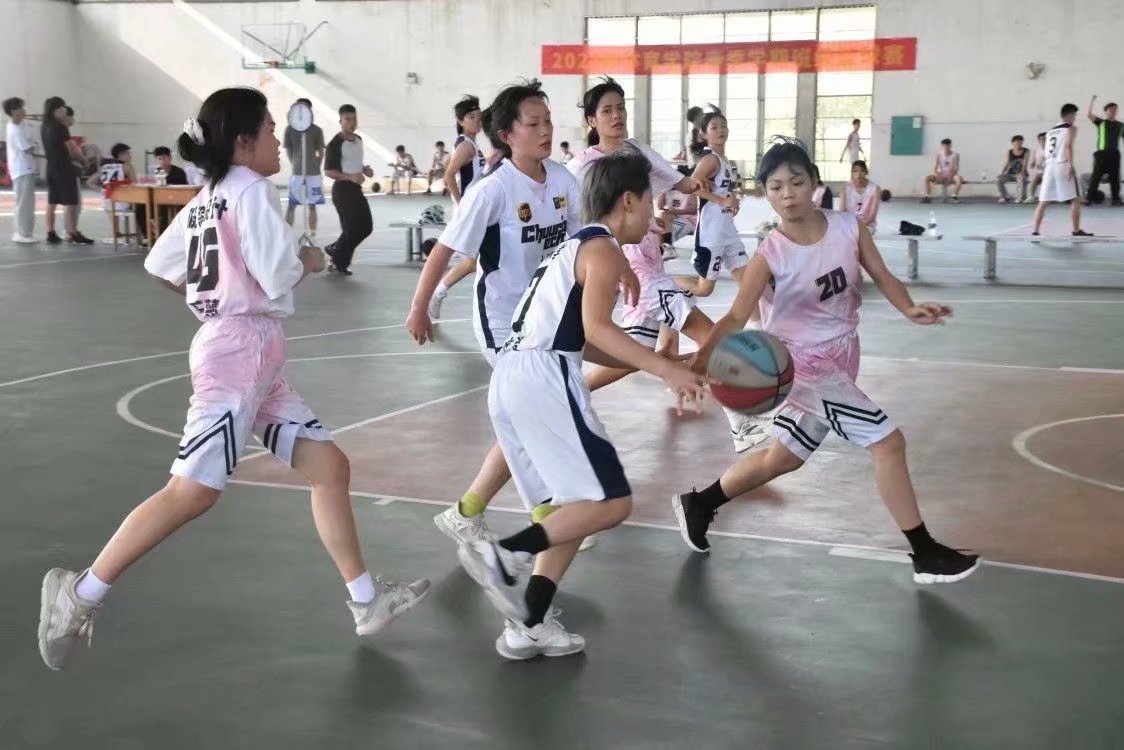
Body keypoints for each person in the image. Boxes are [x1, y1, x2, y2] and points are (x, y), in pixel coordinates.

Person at [36, 87, 429, 672]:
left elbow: (160, 265)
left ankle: (367, 600)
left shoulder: (209, 197)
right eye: (270, 130)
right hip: (241, 355)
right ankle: (81, 592)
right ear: (245, 142)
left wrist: (212, 301)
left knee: (329, 467)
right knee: (192, 491)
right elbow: (279, 274)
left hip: (247, 354)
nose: (277, 141)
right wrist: (312, 260)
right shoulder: (251, 191)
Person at [672, 138, 980, 585]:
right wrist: (701, 362)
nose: (788, 194)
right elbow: (737, 317)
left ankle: (699, 504)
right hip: (801, 368)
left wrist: (909, 308)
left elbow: (883, 275)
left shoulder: (849, 228)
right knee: (888, 443)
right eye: (776, 187)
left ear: (815, 182)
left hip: (841, 354)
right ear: (766, 193)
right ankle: (925, 552)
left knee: (783, 458)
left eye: (797, 182)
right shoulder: (770, 253)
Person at [457, 149, 709, 659]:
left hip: (513, 375)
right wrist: (668, 369)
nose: (655, 214)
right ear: (628, 200)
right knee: (611, 502)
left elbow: (581, 338)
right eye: (651, 203)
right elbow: (597, 328)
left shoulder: (573, 247)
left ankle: (529, 622)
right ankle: (504, 555)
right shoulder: (603, 250)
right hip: (544, 378)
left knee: (576, 508)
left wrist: (650, 363)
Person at [406, 80, 599, 551]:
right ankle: (547, 514)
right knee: (533, 407)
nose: (545, 130)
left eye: (548, 121)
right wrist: (419, 305)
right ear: (507, 135)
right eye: (533, 123)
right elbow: (445, 250)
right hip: (503, 321)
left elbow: (582, 242)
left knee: (525, 413)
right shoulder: (492, 191)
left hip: (550, 316)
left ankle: (466, 512)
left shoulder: (562, 181)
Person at [427, 95, 488, 320]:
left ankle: (437, 293)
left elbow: (449, 166)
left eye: (478, 116)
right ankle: (437, 293)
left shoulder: (467, 143)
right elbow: (449, 174)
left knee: (473, 261)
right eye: (471, 117)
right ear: (461, 121)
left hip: (475, 209)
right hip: (468, 210)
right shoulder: (465, 146)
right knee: (472, 261)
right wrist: (460, 201)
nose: (477, 120)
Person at [677, 111, 748, 298]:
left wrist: (732, 200)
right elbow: (693, 185)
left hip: (728, 230)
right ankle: (666, 282)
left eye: (723, 126)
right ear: (704, 134)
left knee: (748, 285)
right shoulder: (710, 159)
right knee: (704, 289)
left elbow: (722, 191)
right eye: (714, 127)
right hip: (711, 233)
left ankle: (757, 318)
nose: (720, 130)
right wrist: (723, 201)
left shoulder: (726, 162)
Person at [323, 104, 374, 276]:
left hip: (356, 189)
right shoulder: (335, 143)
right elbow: (328, 171)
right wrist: (350, 177)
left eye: (354, 119)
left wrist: (365, 169)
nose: (352, 122)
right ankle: (340, 262)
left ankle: (335, 250)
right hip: (342, 190)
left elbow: (354, 162)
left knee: (366, 227)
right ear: (340, 121)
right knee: (351, 229)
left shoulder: (358, 139)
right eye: (348, 119)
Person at [1033, 103, 1092, 237]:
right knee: (1075, 198)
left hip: (1049, 166)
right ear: (1069, 115)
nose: (1075, 118)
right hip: (1062, 164)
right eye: (1074, 115)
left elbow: (1046, 151)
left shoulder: (1050, 132)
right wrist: (1071, 164)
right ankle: (1076, 230)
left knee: (1043, 201)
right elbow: (1068, 147)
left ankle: (1035, 230)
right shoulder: (1070, 128)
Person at [41, 96, 93, 245]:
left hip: (51, 167)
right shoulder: (60, 128)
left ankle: (50, 232)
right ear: (55, 110)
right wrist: (84, 161)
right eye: (61, 108)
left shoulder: (44, 126)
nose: (64, 110)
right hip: (64, 167)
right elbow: (72, 150)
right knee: (70, 201)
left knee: (52, 201)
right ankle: (73, 232)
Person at [283, 98, 326, 234]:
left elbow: (321, 150)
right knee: (292, 205)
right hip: (297, 173)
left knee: (312, 205)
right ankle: (286, 234)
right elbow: (288, 148)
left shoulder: (317, 130)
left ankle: (312, 234)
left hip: (313, 174)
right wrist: (294, 162)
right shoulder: (290, 129)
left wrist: (316, 164)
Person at [3, 96, 37, 243]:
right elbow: (27, 148)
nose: (24, 110)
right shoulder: (15, 129)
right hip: (22, 169)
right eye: (21, 108)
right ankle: (22, 234)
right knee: (24, 203)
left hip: (24, 168)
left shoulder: (19, 125)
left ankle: (25, 233)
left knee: (26, 202)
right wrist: (34, 145)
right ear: (13, 111)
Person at [1085, 96, 1122, 206]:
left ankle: (1116, 199)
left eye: (1115, 109)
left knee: (1115, 178)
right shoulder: (1101, 122)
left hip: (1114, 155)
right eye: (1110, 110)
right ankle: (1089, 199)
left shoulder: (1120, 125)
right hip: (1101, 154)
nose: (1113, 111)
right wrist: (1092, 101)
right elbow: (1089, 115)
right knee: (1095, 177)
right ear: (1106, 112)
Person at [152, 146, 190, 233]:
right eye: (159, 159)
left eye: (164, 158)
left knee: (164, 210)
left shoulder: (179, 171)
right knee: (141, 209)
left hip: (177, 200)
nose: (162, 161)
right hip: (161, 199)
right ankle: (149, 234)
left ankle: (163, 234)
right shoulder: (157, 171)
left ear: (170, 158)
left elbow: (184, 189)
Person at [841, 160, 880, 233]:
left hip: (867, 225)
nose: (859, 174)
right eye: (855, 171)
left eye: (862, 171)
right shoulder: (845, 188)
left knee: (861, 233)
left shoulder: (875, 189)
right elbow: (842, 212)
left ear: (866, 172)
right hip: (849, 224)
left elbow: (872, 215)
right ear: (852, 174)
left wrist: (860, 226)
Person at [921, 138, 964, 204]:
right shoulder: (939, 155)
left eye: (948, 146)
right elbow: (935, 167)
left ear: (950, 145)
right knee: (927, 178)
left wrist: (951, 176)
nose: (946, 147)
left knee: (959, 179)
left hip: (951, 175)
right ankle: (927, 196)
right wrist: (938, 174)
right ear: (942, 146)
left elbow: (956, 168)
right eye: (944, 146)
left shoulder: (956, 155)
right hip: (941, 175)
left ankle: (954, 196)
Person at [996, 135, 1029, 203]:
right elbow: (1006, 163)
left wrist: (1022, 172)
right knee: (999, 180)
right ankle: (1005, 196)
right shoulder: (1010, 151)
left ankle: (1020, 197)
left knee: (1021, 178)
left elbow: (1025, 164)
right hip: (1010, 174)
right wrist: (1002, 173)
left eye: (1020, 142)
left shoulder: (1026, 151)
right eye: (1016, 142)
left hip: (1021, 174)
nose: (1018, 143)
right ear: (1013, 143)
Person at [1027, 132, 1047, 203]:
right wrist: (1032, 164)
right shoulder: (1037, 150)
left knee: (1038, 177)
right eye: (1040, 139)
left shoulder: (1050, 150)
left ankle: (1046, 197)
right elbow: (1033, 162)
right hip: (1040, 171)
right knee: (1034, 180)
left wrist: (1043, 165)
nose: (1042, 140)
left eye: (1044, 139)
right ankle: (1031, 197)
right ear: (1038, 140)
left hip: (1049, 171)